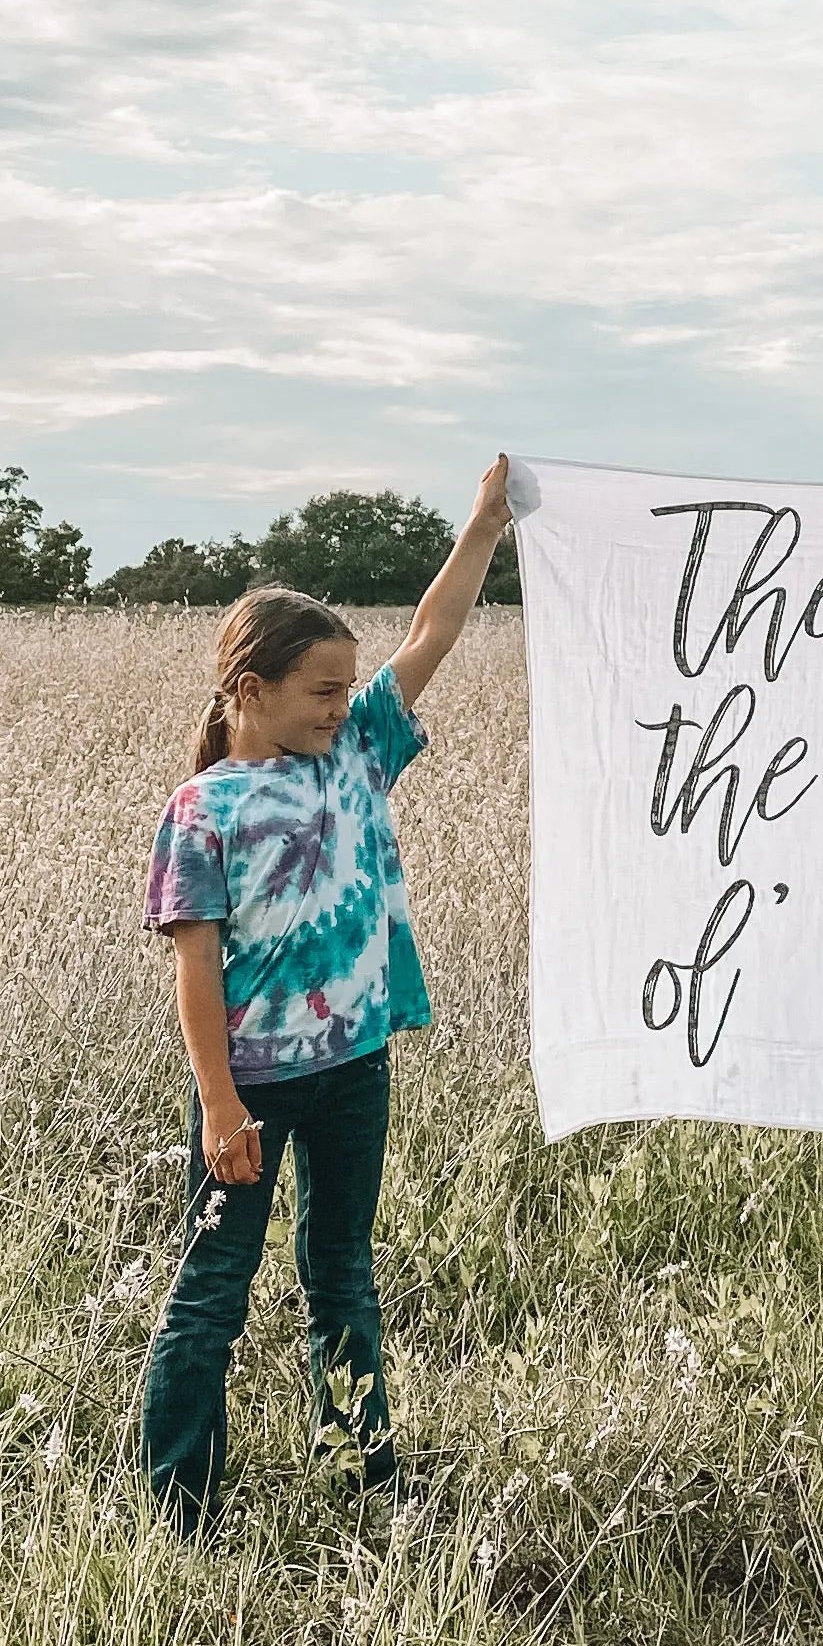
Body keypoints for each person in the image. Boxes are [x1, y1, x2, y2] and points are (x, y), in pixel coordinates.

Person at [138, 463, 511, 1533]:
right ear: (248, 688)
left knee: (342, 1278)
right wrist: (218, 1105)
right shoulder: (202, 810)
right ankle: (182, 1512)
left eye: (348, 690)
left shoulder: (355, 754)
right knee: (214, 1293)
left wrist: (481, 525)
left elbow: (431, 634)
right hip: (251, 1085)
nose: (343, 705)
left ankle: (363, 1476)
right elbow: (194, 967)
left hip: (355, 1068)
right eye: (322, 691)